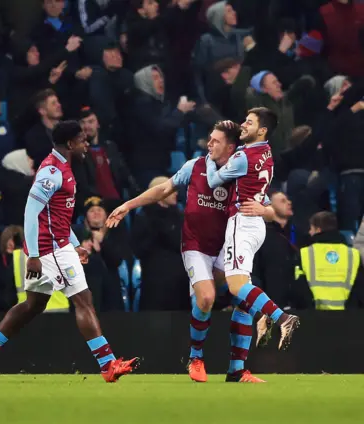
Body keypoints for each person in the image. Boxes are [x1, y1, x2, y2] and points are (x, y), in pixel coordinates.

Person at [0, 121, 139, 383]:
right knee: (84, 300)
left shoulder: (63, 168)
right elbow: (31, 211)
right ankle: (108, 364)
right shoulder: (51, 171)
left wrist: (74, 243)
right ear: (69, 144)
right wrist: (34, 254)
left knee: (33, 305)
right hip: (51, 250)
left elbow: (57, 216)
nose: (86, 144)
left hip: (56, 245)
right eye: (81, 140)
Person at [107, 121, 273, 383]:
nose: (209, 144)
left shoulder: (242, 172)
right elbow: (163, 189)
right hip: (195, 245)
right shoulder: (194, 166)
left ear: (230, 147)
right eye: (209, 139)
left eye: (216, 141)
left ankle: (237, 370)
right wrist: (128, 205)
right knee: (206, 298)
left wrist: (265, 211)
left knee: (241, 295)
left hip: (227, 246)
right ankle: (195, 357)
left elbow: (270, 208)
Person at [204, 108, 300, 350]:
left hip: (242, 222)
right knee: (243, 288)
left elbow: (213, 180)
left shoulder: (242, 157)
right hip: (256, 223)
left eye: (249, 122)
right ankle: (262, 315)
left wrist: (209, 157)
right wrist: (265, 207)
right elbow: (261, 192)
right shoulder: (266, 152)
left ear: (262, 130)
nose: (243, 125)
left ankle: (282, 318)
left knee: (235, 285)